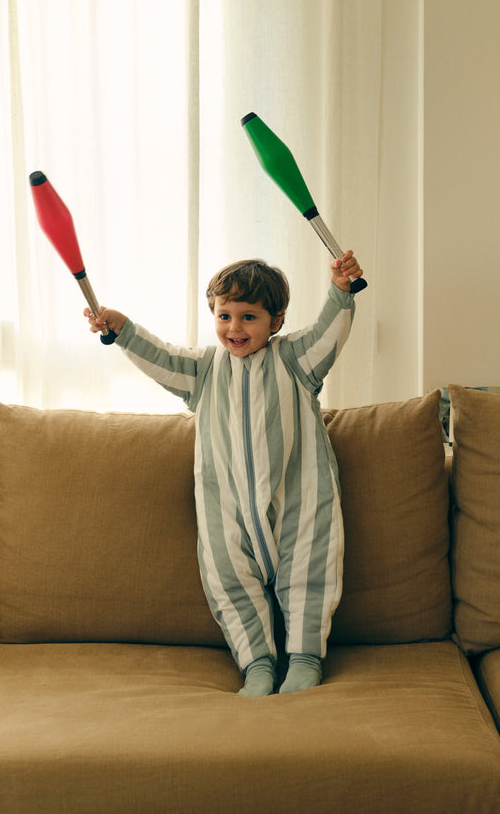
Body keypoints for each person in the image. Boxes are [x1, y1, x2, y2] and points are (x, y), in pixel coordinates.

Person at [85, 250, 363, 696]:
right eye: (224, 315)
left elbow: (330, 331)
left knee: (310, 571)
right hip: (226, 506)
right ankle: (257, 665)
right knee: (228, 580)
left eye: (249, 317)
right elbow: (159, 356)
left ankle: (306, 659)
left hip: (300, 497)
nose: (234, 328)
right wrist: (122, 330)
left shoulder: (297, 361)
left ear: (276, 321)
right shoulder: (202, 371)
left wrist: (341, 289)